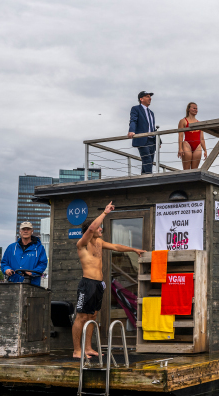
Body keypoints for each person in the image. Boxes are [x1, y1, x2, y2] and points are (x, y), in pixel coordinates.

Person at [73, 202, 147, 358]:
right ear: (89, 231)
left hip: (98, 284)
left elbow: (116, 247)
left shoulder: (99, 243)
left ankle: (88, 348)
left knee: (93, 316)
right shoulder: (82, 244)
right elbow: (93, 227)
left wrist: (133, 249)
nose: (101, 229)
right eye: (100, 227)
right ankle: (77, 351)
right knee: (81, 316)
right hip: (87, 283)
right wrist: (105, 213)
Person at [0, 221, 48, 286]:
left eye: (28, 229)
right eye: (23, 229)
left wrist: (32, 273)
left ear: (32, 231)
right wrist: (6, 269)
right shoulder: (11, 248)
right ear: (20, 231)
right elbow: (4, 262)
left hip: (32, 285)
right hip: (13, 284)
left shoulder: (39, 248)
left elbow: (43, 264)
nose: (26, 231)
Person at [128, 91, 158, 174]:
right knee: (147, 160)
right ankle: (149, 179)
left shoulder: (151, 113)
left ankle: (144, 178)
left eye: (150, 96)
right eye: (147, 96)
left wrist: (159, 141)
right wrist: (132, 130)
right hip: (142, 139)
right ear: (141, 99)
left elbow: (152, 127)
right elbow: (133, 120)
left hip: (152, 140)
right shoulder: (136, 109)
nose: (150, 98)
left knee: (149, 161)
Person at [177, 102, 208, 170]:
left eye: (196, 109)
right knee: (186, 169)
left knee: (195, 170)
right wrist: (180, 149)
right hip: (187, 144)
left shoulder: (199, 123)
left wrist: (205, 150)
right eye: (194, 108)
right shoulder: (183, 121)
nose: (195, 110)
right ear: (188, 109)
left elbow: (202, 138)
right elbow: (180, 136)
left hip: (197, 145)